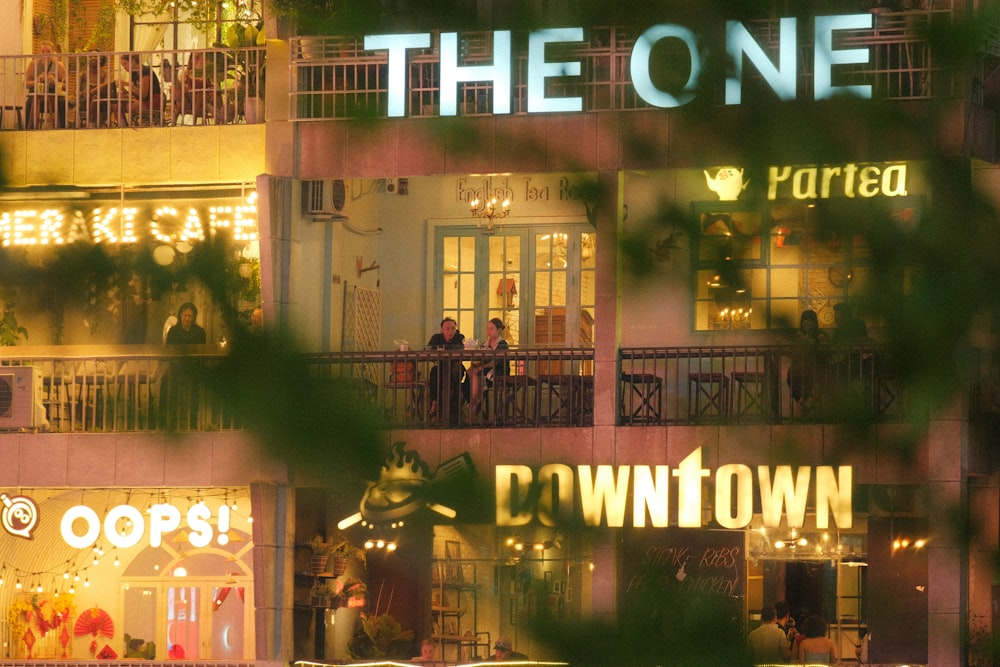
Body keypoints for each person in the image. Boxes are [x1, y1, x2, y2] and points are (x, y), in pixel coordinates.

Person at [464, 317, 510, 421]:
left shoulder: (502, 344)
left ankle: (474, 402)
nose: (489, 331)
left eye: (492, 328)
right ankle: (474, 401)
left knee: (477, 373)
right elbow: (478, 358)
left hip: (498, 372)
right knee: (470, 373)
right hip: (484, 372)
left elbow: (496, 362)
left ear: (499, 330)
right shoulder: (485, 344)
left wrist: (479, 367)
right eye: (487, 328)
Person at [786, 309, 828, 414]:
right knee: (791, 375)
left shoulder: (820, 335)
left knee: (811, 379)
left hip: (817, 368)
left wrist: (809, 341)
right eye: (804, 320)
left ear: (814, 322)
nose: (807, 323)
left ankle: (804, 403)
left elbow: (824, 346)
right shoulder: (798, 336)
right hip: (798, 369)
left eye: (810, 320)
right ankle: (803, 401)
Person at [426, 317, 465, 424]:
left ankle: (448, 412)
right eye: (447, 328)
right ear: (442, 330)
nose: (450, 331)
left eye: (453, 328)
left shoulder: (460, 337)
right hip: (440, 367)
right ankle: (435, 403)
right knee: (435, 373)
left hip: (455, 368)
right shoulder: (436, 338)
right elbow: (427, 350)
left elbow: (462, 349)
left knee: (458, 372)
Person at [25, 40, 67, 129]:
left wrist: (55, 81)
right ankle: (28, 129)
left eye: (48, 51)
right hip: (37, 94)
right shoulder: (33, 64)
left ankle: (63, 128)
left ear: (52, 52)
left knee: (62, 102)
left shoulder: (59, 65)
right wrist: (36, 81)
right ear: (39, 52)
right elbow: (25, 84)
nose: (45, 54)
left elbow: (66, 85)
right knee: (29, 103)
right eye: (43, 51)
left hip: (54, 95)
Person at [116, 54, 163, 126]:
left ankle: (124, 125)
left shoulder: (145, 71)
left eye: (125, 64)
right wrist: (123, 89)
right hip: (141, 101)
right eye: (123, 65)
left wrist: (130, 85)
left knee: (127, 105)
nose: (124, 67)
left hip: (151, 100)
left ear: (133, 61)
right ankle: (123, 124)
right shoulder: (133, 73)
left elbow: (144, 95)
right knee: (117, 99)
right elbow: (133, 95)